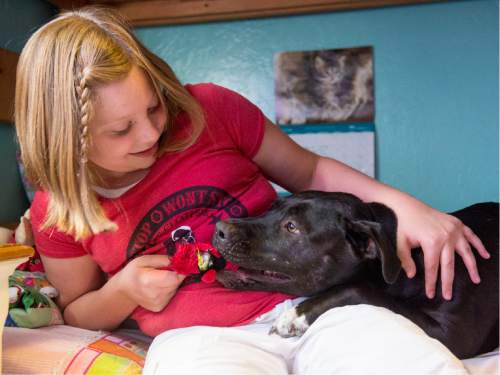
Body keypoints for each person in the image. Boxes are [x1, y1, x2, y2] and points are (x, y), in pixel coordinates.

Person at [15, 6, 489, 374]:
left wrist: (404, 208)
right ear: (67, 142)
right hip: (201, 334)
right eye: (121, 131)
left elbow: (311, 172)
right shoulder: (57, 211)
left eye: (154, 108)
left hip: (320, 304)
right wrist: (122, 291)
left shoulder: (211, 110)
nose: (149, 135)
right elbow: (75, 312)